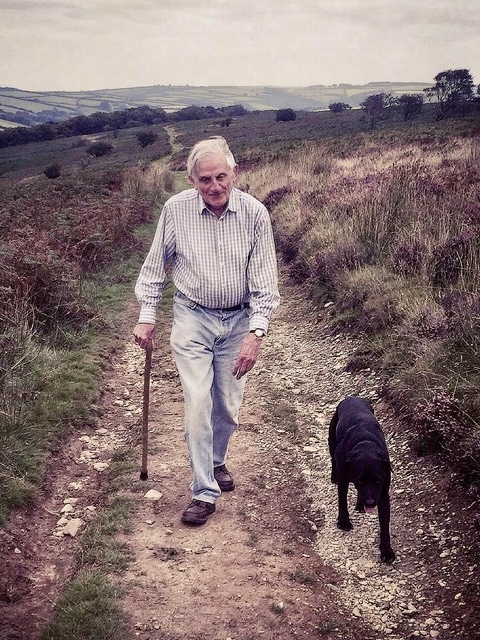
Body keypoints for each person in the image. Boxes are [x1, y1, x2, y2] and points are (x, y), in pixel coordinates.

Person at [133, 135, 280, 525]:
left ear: (235, 172)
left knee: (227, 407)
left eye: (220, 176)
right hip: (192, 316)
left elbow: (266, 284)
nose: (214, 186)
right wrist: (148, 314)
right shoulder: (176, 210)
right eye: (204, 180)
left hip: (238, 321)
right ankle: (203, 491)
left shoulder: (255, 214)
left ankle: (216, 461)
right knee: (198, 402)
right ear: (191, 181)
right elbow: (154, 269)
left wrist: (256, 333)